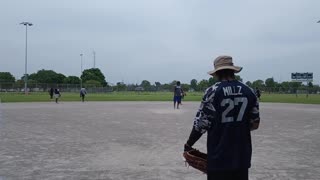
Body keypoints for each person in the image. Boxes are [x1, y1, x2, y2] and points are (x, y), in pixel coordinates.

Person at [184, 55, 260, 180]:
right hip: (241, 156)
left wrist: (188, 144)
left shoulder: (212, 91)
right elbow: (255, 124)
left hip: (218, 157)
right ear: (233, 70)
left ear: (217, 73)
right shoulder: (249, 91)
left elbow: (200, 125)